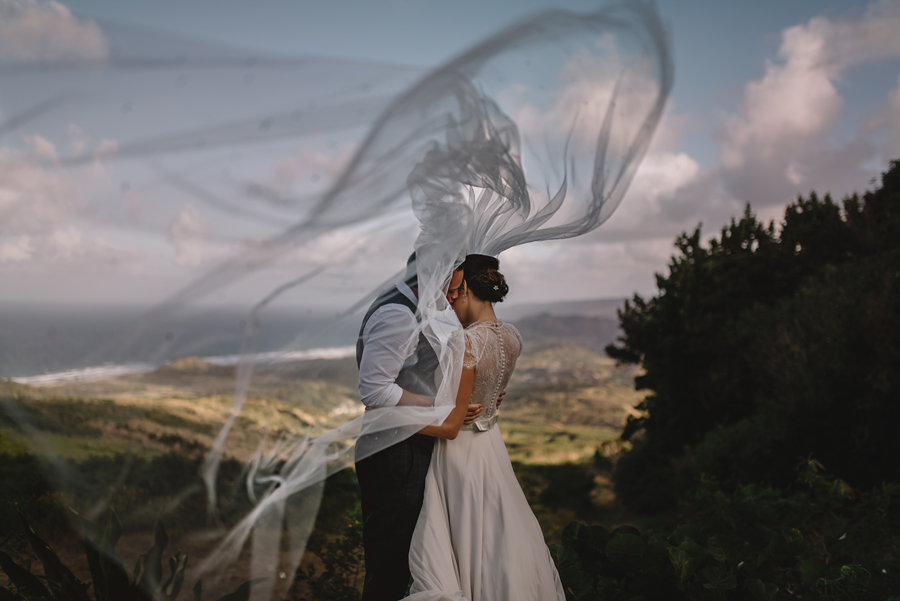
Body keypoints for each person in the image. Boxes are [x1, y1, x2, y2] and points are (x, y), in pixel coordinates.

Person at [406, 254, 565, 601]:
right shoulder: (512, 337)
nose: (448, 298)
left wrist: (398, 421)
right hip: (492, 444)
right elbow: (490, 391)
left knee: (467, 538)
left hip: (460, 454)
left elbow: (449, 426)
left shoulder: (467, 343)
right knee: (497, 535)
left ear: (466, 290)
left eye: (452, 290)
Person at [355, 253, 501, 601]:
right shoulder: (398, 315)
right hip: (395, 452)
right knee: (390, 566)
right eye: (453, 286)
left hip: (405, 447)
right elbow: (374, 390)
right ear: (438, 273)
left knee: (401, 562)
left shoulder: (414, 307)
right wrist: (443, 406)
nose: (454, 296)